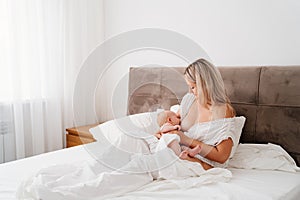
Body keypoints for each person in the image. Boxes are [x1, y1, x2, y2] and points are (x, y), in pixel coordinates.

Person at [172, 58, 236, 170]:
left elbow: (222, 156)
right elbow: (172, 121)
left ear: (205, 84)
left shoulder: (223, 111)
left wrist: (186, 140)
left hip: (198, 162)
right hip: (176, 152)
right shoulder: (189, 100)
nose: (191, 92)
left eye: (193, 87)